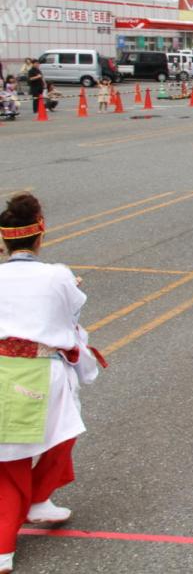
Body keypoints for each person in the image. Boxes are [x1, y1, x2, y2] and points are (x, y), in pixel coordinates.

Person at [1, 193, 104, 573]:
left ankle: (39, 500)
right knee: (18, 454)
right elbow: (71, 312)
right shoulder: (56, 274)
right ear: (40, 235)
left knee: (61, 434)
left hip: (9, 367)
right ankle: (2, 547)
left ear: (3, 241)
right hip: (38, 370)